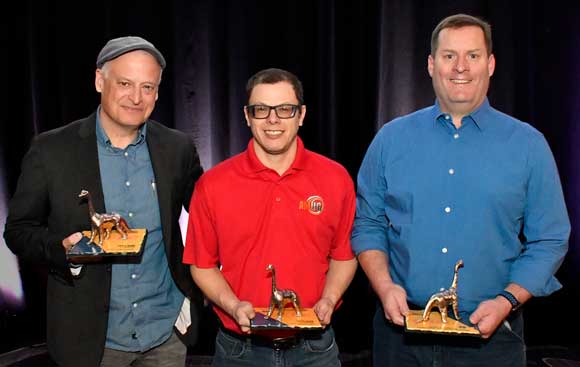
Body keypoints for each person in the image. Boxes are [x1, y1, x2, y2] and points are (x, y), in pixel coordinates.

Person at [352, 13, 570, 367]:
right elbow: (368, 225)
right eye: (449, 55)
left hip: (493, 341)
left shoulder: (528, 145)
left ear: (491, 64)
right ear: (430, 64)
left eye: (473, 55)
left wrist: (506, 301)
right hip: (401, 337)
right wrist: (383, 285)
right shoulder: (390, 140)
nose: (460, 67)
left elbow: (550, 239)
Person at [4, 36, 203, 367]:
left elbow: (209, 212)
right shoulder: (51, 150)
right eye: (125, 83)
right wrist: (62, 249)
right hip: (90, 340)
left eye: (148, 87)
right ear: (100, 80)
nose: (137, 98)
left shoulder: (177, 147)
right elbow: (18, 230)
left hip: (166, 334)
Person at [183, 68, 357, 367]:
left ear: (301, 115)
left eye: (285, 109)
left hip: (315, 350)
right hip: (239, 352)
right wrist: (233, 305)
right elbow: (202, 265)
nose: (273, 119)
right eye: (261, 109)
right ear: (247, 116)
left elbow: (344, 255)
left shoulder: (335, 178)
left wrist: (329, 299)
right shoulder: (213, 184)